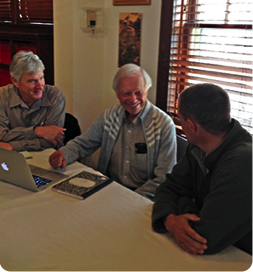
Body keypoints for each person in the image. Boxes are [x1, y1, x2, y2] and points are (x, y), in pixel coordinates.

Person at [152, 83, 253, 256]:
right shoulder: (198, 147)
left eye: (180, 118)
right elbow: (168, 187)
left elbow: (203, 238)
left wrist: (183, 204)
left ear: (192, 126)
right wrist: (171, 221)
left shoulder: (243, 162)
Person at [49, 64, 177, 200]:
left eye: (138, 92)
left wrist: (131, 198)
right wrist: (64, 154)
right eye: (126, 93)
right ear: (117, 94)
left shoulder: (164, 125)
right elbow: (83, 144)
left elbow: (163, 178)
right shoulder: (110, 116)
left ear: (146, 90)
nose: (133, 99)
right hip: (108, 190)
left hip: (143, 199)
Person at [0, 51, 66, 151]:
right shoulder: (2, 97)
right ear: (15, 81)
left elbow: (52, 140)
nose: (40, 86)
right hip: (11, 158)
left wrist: (12, 146)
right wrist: (36, 131)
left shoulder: (55, 95)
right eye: (32, 81)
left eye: (41, 78)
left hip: (46, 156)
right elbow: (1, 135)